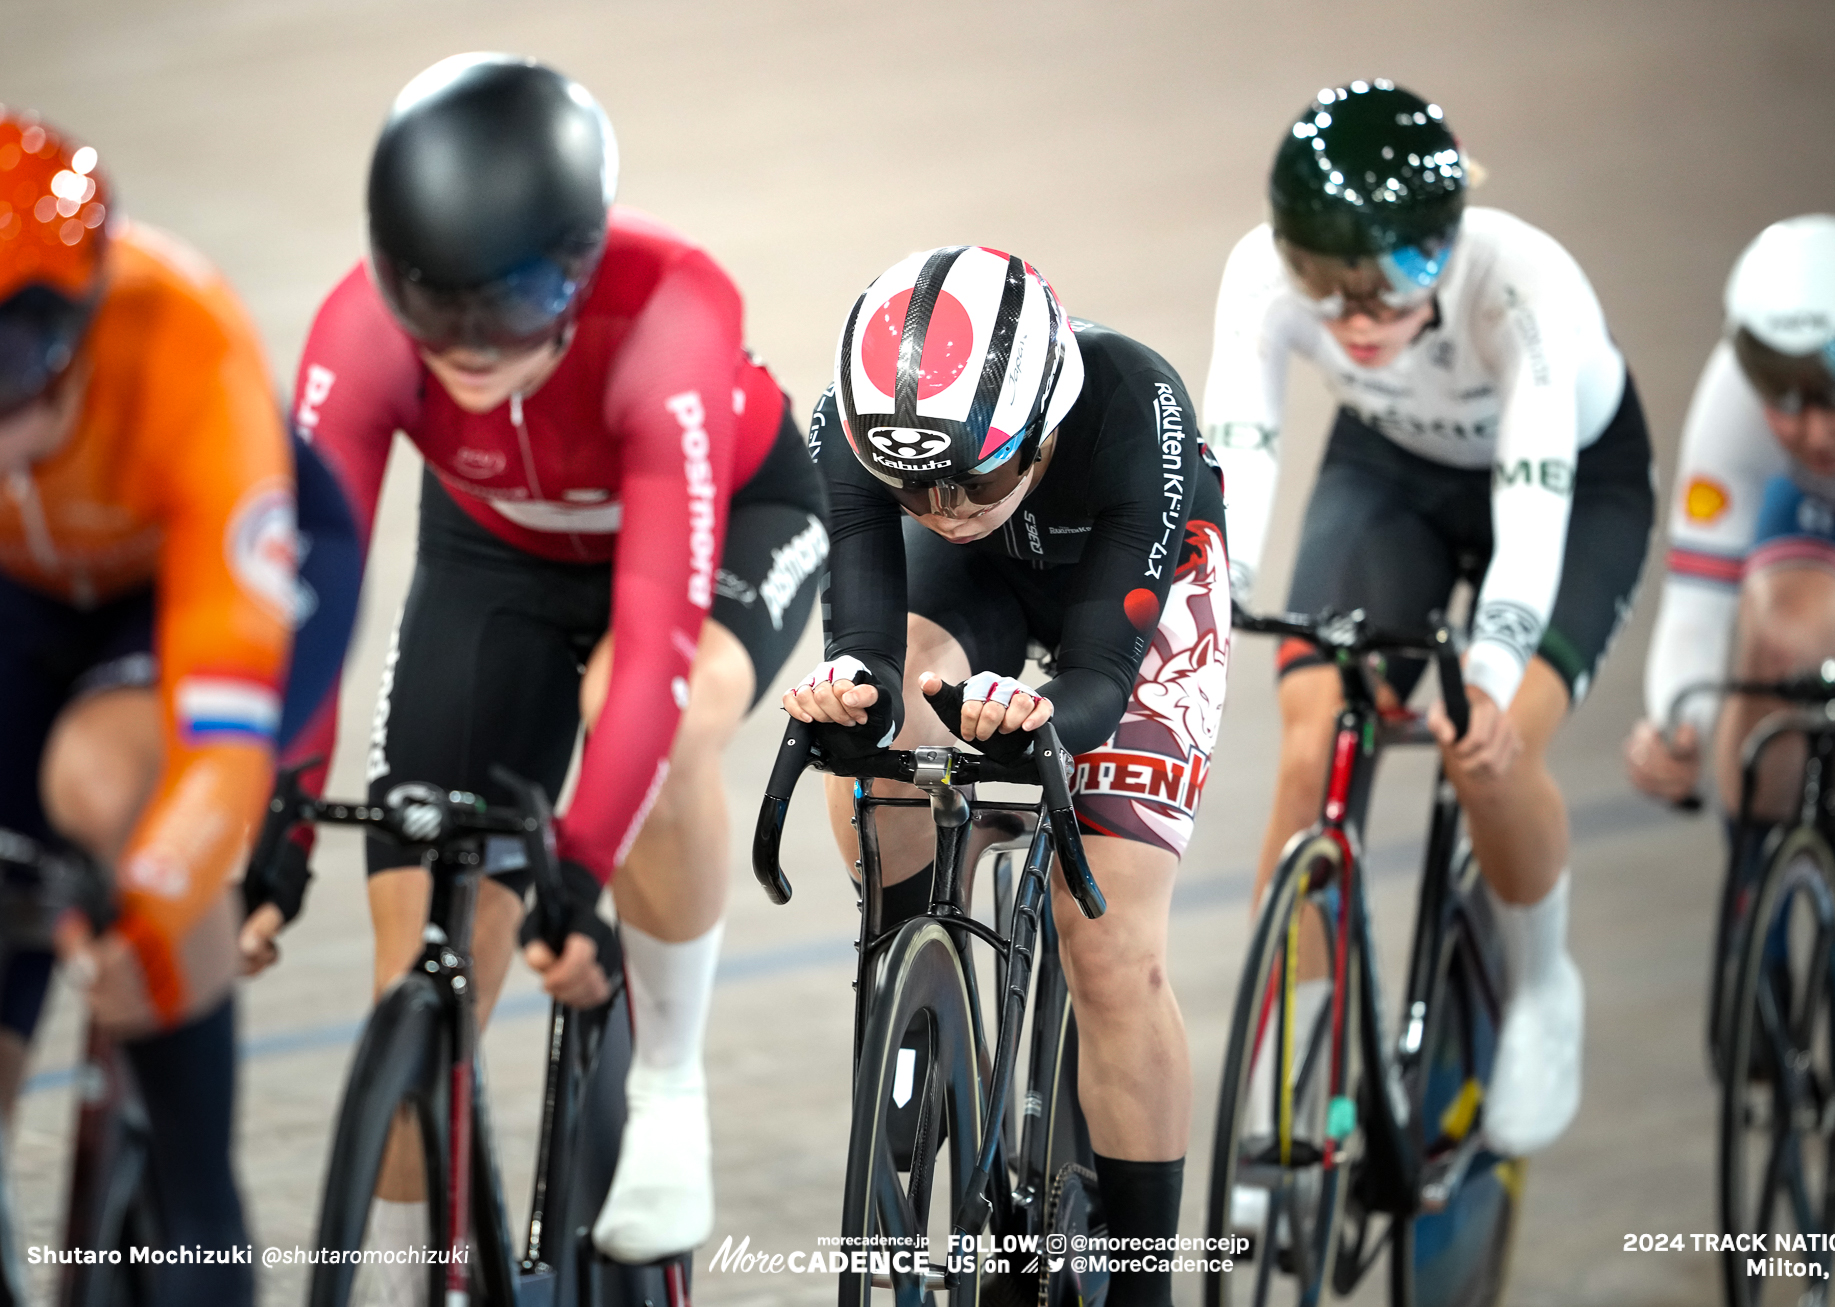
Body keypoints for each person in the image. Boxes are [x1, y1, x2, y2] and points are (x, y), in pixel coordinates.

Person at [291, 53, 829, 1279]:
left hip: (725, 521)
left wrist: (579, 862)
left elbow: (648, 645)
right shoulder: (360, 334)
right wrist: (281, 800)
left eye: (519, 300)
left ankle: (670, 1081)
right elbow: (309, 589)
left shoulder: (675, 313)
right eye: (441, 310)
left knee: (661, 717)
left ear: (580, 270)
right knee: (411, 1042)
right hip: (496, 558)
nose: (473, 350)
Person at [1203, 80, 1654, 1157]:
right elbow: (1242, 450)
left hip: (1569, 486)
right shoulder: (1256, 275)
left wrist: (1492, 673)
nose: (1355, 319)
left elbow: (1534, 500)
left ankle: (1543, 988)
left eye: (1391, 279)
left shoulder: (1526, 285)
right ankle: (1295, 1075)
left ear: (1446, 243)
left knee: (1485, 751)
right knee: (1311, 744)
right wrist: (1207, 600)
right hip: (1390, 472)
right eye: (1324, 285)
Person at [785, 244, 1230, 1307]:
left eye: (972, 477)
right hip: (982, 588)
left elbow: (1099, 675)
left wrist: (1043, 718)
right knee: (879, 770)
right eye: (912, 483)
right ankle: (915, 992)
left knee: (1110, 947)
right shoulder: (865, 435)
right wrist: (854, 696)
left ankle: (1139, 1283)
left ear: (1042, 426)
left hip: (1126, 587)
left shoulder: (1133, 407)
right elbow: (867, 643)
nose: (939, 505)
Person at [0, 109, 300, 1303]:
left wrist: (154, 904)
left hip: (186, 581)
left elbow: (224, 746)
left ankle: (200, 1207)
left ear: (69, 334)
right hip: (22, 602)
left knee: (102, 779)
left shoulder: (185, 335)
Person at [1626, 216, 1835, 852]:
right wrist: (1676, 729)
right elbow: (1696, 602)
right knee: (1780, 647)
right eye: (1784, 401)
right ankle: (1761, 914)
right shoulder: (1731, 390)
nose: (1814, 434)